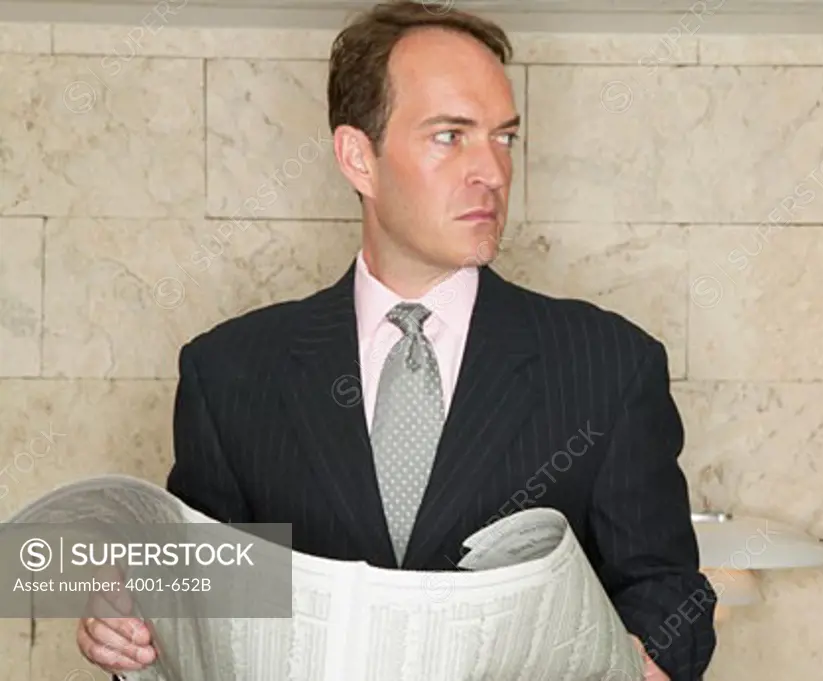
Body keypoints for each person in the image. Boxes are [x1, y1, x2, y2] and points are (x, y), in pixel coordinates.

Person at [75, 1, 717, 679]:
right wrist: (128, 629)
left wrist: (653, 655)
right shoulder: (229, 372)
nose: (492, 171)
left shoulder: (610, 365)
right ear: (358, 157)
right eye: (450, 136)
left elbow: (668, 590)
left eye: (504, 137)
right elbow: (204, 607)